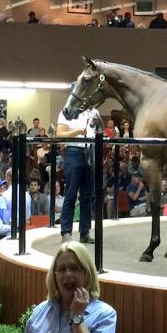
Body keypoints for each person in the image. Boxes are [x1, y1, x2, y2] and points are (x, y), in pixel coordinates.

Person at [11, 242, 115, 333]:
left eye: (74, 268)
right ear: (54, 275)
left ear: (87, 272)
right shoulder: (40, 312)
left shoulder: (104, 314)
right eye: (61, 269)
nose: (68, 274)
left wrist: (77, 317)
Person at [56, 101, 99, 244]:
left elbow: (100, 130)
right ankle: (66, 232)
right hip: (74, 151)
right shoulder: (66, 112)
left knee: (87, 196)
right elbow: (60, 134)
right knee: (71, 193)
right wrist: (78, 131)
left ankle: (85, 232)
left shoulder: (94, 112)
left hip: (91, 151)